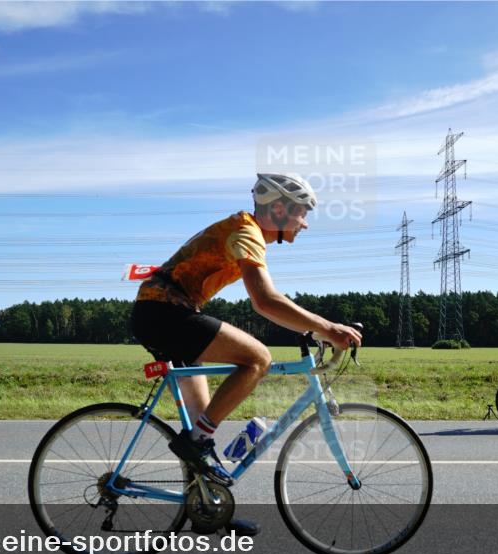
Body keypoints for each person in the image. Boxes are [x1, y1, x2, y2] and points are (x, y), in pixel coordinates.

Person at [130, 173, 362, 532]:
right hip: (164, 312)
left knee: (200, 426)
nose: (305, 222)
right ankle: (199, 451)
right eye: (301, 212)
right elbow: (265, 300)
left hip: (165, 311)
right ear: (280, 208)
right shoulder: (246, 231)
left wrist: (316, 326)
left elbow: (270, 300)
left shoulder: (245, 230)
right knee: (258, 359)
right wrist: (327, 329)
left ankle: (208, 508)